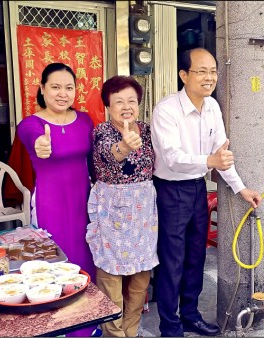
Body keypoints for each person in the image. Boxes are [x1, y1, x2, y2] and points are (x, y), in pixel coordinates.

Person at [150, 47, 261, 337]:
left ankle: (190, 315)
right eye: (202, 71)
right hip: (170, 191)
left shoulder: (211, 106)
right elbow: (172, 157)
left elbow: (220, 153)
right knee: (172, 261)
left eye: (213, 71)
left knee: (196, 257)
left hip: (197, 188)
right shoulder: (166, 109)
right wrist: (210, 161)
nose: (209, 77)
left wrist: (241, 188)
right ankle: (169, 326)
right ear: (183, 75)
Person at [17, 63, 96, 337]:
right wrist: (41, 143)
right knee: (56, 264)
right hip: (50, 205)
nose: (63, 94)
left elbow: (95, 162)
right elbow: (32, 138)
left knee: (86, 260)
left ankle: (87, 325)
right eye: (55, 87)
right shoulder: (31, 124)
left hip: (83, 204)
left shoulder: (85, 120)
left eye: (69, 87)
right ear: (42, 89)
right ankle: (58, 327)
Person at [86, 75, 159, 337]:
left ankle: (132, 329)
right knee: (110, 275)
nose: (126, 106)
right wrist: (125, 146)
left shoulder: (148, 130)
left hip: (142, 210)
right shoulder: (102, 131)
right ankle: (113, 334)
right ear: (108, 105)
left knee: (141, 275)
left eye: (131, 100)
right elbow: (110, 153)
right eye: (118, 101)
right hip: (112, 208)